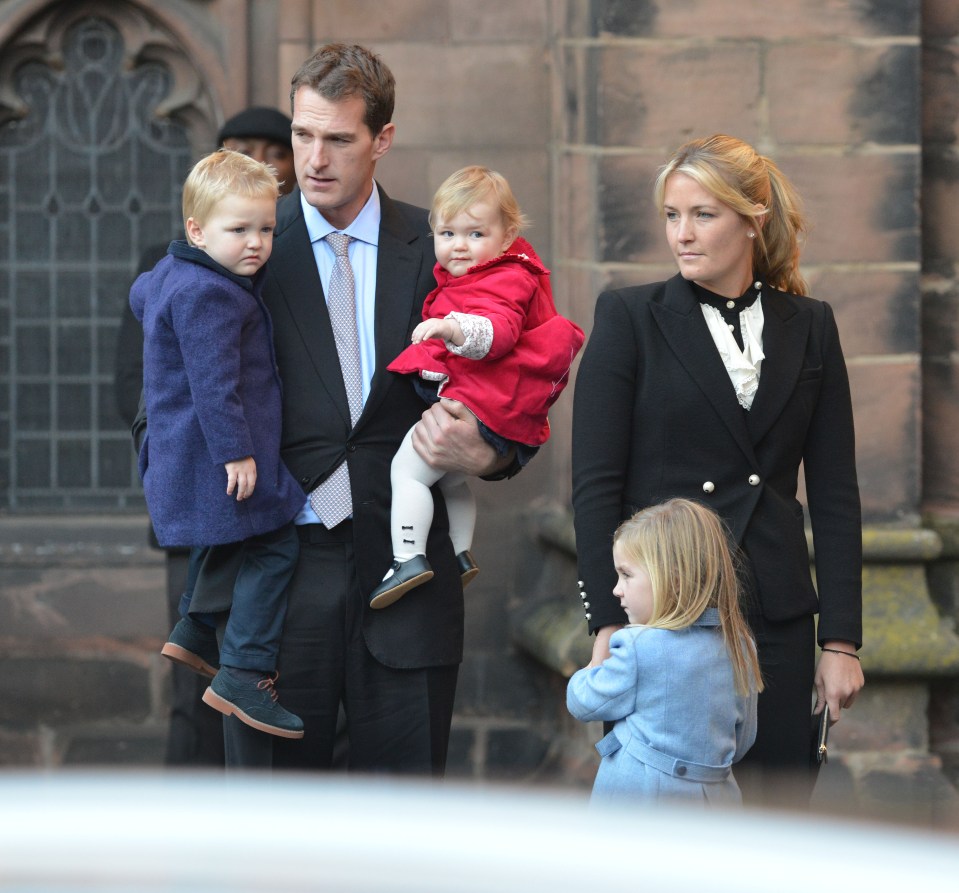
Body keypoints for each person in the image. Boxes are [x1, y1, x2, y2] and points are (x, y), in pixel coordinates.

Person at [186, 43, 517, 772]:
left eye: (337, 138)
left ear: (382, 140)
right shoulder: (243, 244)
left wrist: (491, 450)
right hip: (275, 584)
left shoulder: (443, 249)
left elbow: (514, 372)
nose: (313, 158)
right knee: (274, 841)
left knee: (402, 837)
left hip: (407, 583)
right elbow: (169, 395)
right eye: (304, 135)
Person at [571, 134, 864, 806]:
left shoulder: (811, 325)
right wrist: (604, 623)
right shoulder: (628, 317)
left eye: (701, 214)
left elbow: (836, 493)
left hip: (781, 620)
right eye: (671, 215)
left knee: (775, 824)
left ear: (752, 217)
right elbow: (594, 485)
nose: (681, 234)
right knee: (675, 839)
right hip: (671, 621)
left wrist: (841, 639)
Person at [114, 105, 295, 765]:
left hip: (186, 461)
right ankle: (245, 669)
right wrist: (234, 450)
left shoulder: (172, 273)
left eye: (265, 230)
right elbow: (213, 383)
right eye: (239, 229)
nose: (255, 243)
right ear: (196, 227)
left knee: (224, 549)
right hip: (217, 458)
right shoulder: (213, 293)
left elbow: (143, 297)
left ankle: (194, 624)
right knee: (275, 542)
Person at [368, 165, 584, 608]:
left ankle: (407, 556)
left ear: (507, 238)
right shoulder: (482, 273)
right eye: (447, 233)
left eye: (475, 234)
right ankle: (459, 554)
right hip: (486, 404)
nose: (459, 246)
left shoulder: (504, 278)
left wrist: (451, 329)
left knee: (407, 472)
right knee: (448, 483)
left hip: (483, 404)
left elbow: (497, 331)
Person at [567, 499, 761, 806]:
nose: (617, 589)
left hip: (638, 803)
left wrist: (594, 665)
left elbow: (585, 703)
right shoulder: (740, 645)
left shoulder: (638, 646)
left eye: (626, 575)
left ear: (671, 576)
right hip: (715, 802)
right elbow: (743, 740)